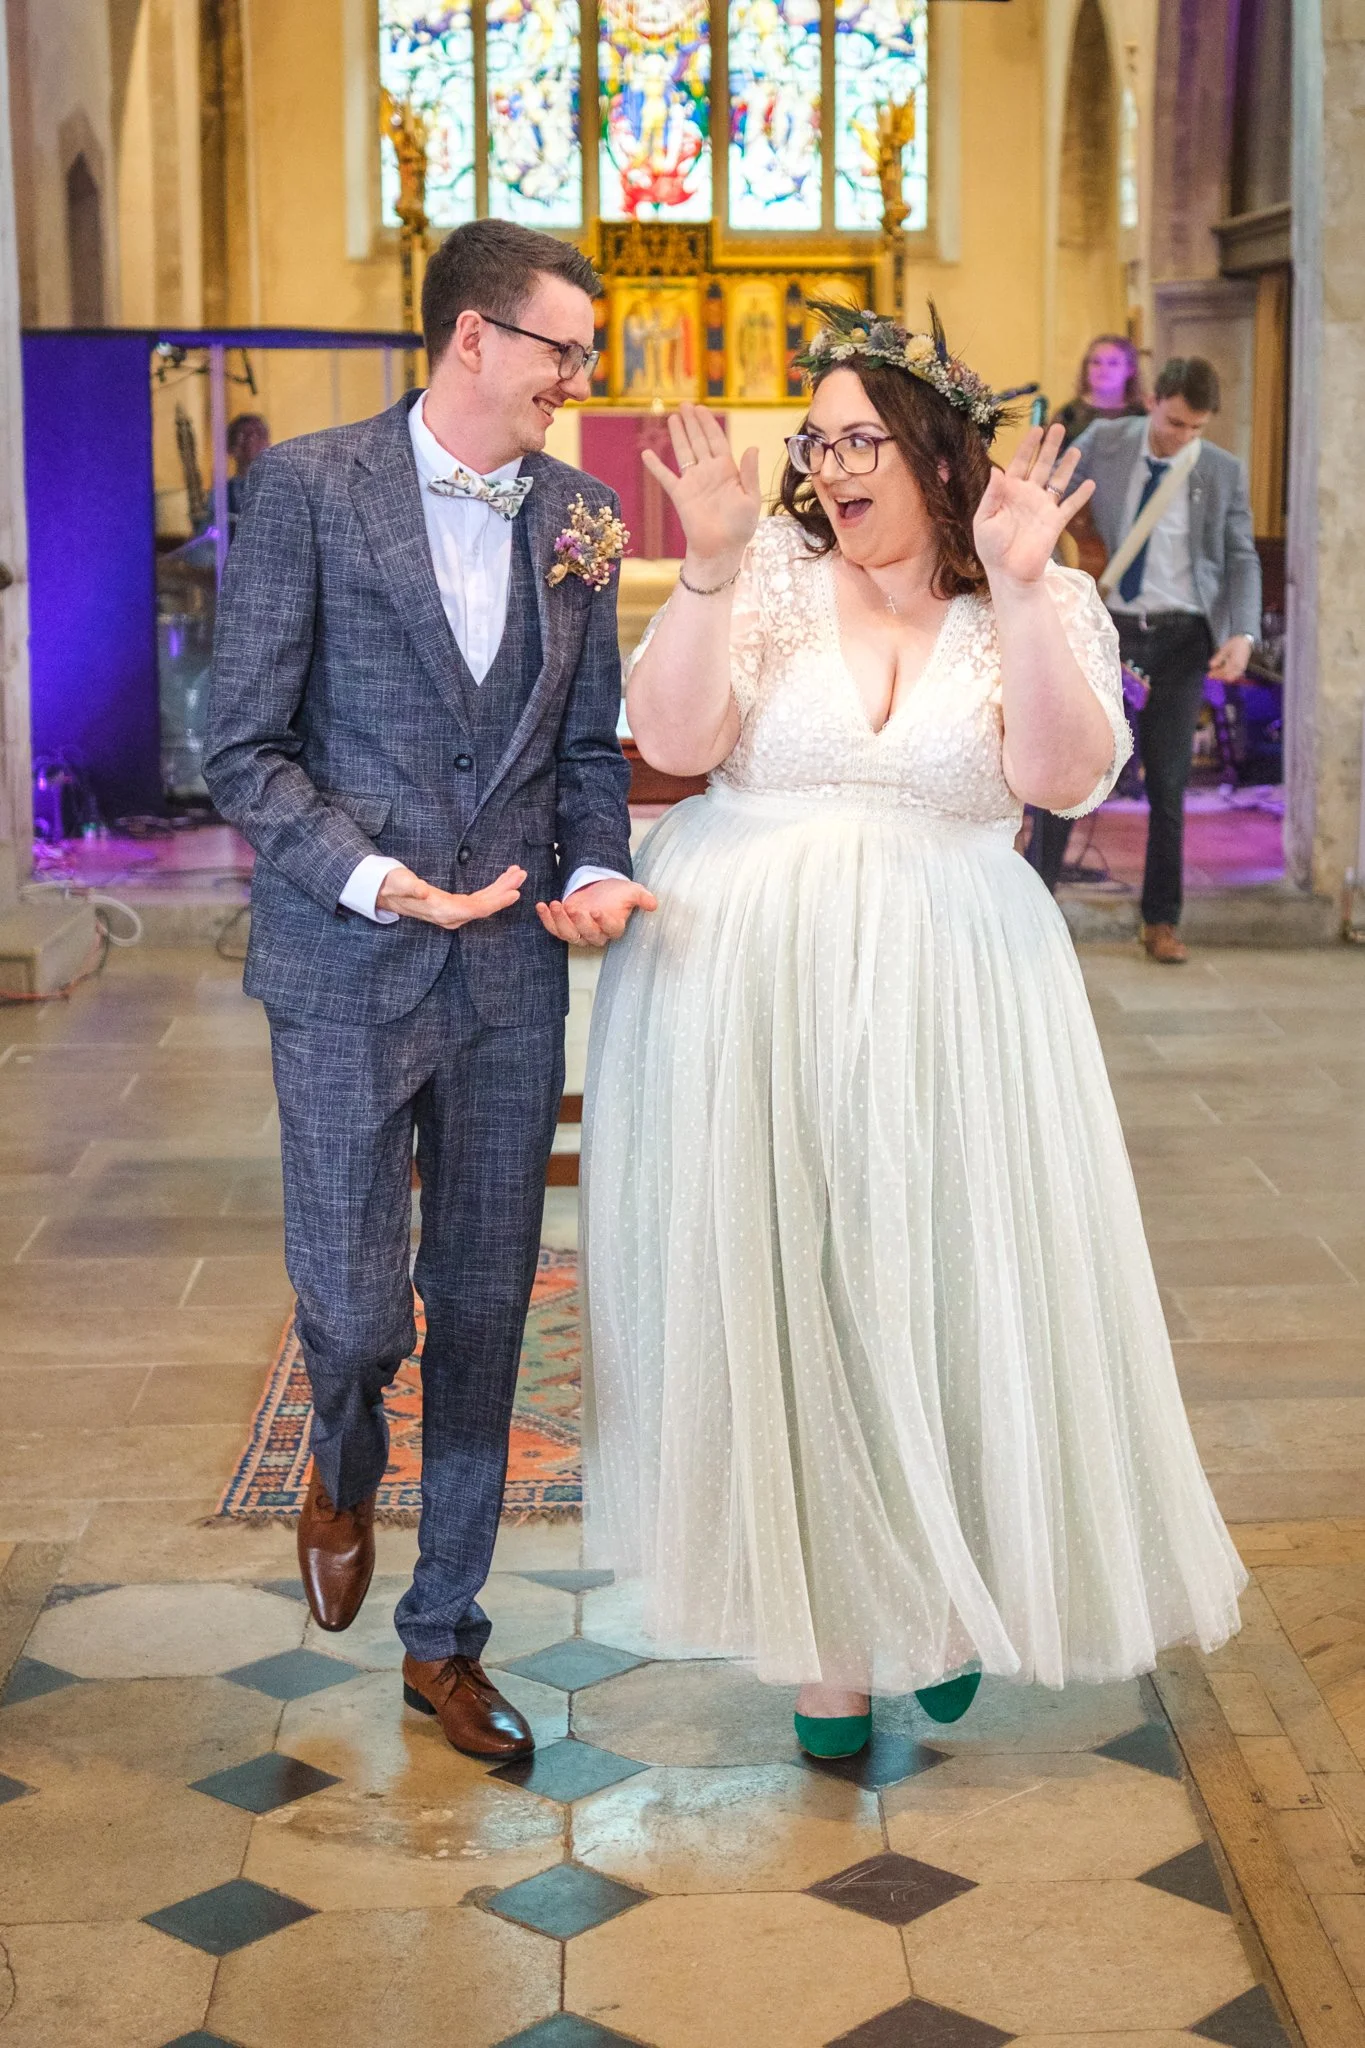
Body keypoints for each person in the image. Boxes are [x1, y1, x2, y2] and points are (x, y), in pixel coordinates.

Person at [581, 304, 1244, 1759]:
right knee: (785, 1285)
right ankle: (825, 1648)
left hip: (953, 990)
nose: (828, 470)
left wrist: (1016, 591)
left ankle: (943, 1591)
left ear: (937, 455)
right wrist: (695, 573)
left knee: (936, 1278)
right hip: (741, 993)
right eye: (813, 445)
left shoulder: (1040, 594)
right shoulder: (759, 573)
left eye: (856, 440)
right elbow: (677, 747)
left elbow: (1063, 783)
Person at [205, 219, 653, 1763]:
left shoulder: (583, 515)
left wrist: (594, 867)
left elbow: (587, 754)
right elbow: (240, 746)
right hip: (344, 963)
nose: (576, 383)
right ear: (473, 337)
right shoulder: (308, 491)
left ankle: (444, 1639)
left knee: (478, 1309)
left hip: (512, 976)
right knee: (350, 1309)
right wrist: (371, 876)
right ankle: (341, 1456)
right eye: (560, 351)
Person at [1069, 356, 1262, 963]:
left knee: (1171, 781)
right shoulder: (1106, 439)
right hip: (1109, 627)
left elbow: (1241, 558)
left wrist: (1243, 633)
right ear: (1154, 400)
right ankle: (1038, 902)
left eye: (1197, 429)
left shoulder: (1221, 471)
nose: (1183, 438)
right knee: (1065, 768)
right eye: (1175, 422)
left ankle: (1160, 919)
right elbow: (1046, 493)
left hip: (1182, 637)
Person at [1025, 335, 1147, 891]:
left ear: (1129, 372)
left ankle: (1114, 766)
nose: (1103, 371)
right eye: (1095, 361)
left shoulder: (1146, 422)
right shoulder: (1069, 418)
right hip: (1076, 550)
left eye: (1114, 362)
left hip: (1124, 561)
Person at [226, 411, 271, 521]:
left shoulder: (282, 488)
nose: (253, 440)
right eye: (246, 435)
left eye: (260, 434)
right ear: (231, 447)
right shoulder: (222, 493)